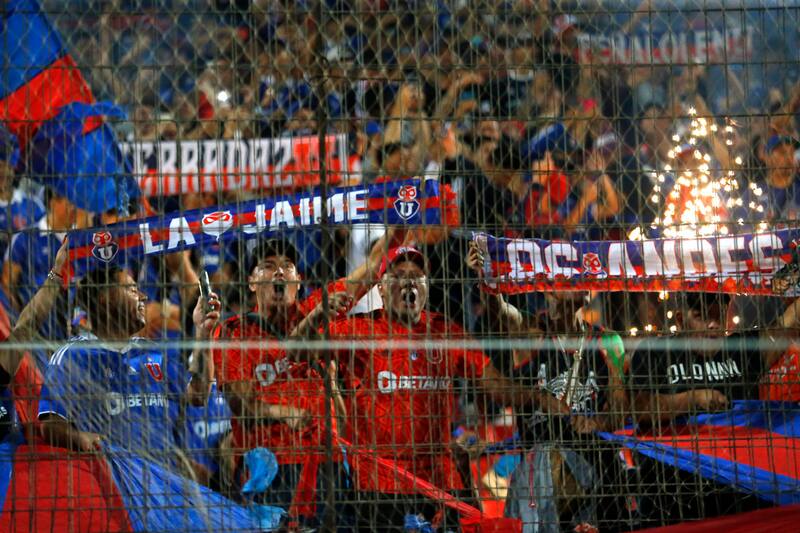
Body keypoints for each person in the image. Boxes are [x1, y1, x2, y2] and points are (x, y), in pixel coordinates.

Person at [322, 245, 537, 532]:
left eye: (417, 275)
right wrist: (321, 314)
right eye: (398, 275)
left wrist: (541, 396)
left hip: (439, 481)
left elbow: (495, 385)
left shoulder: (445, 332)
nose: (409, 282)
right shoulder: (357, 330)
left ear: (426, 286)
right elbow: (301, 350)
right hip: (380, 482)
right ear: (381, 289)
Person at [211, 235, 392, 529]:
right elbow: (241, 404)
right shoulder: (235, 333)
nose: (279, 272)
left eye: (288, 266)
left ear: (299, 280)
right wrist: (287, 413)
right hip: (272, 471)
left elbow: (373, 265)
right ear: (252, 283)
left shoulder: (313, 309)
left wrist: (405, 212)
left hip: (328, 465)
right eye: (268, 266)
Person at [465, 242, 630, 532]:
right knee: (548, 458)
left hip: (595, 459)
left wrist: (597, 422)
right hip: (542, 467)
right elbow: (499, 311)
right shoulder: (531, 334)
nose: (561, 281)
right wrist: (485, 276)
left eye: (571, 277)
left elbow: (619, 407)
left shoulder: (607, 341)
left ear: (586, 292)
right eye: (555, 276)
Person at [629, 292, 800, 526]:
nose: (713, 324)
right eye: (701, 316)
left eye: (718, 314)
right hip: (673, 496)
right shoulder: (656, 351)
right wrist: (692, 399)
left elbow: (786, 324)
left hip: (740, 494)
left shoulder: (739, 348)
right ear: (681, 319)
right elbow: (638, 409)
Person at [38, 264, 220, 471]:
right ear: (106, 297)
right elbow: (50, 424)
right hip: (113, 484)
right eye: (132, 290)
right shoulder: (72, 356)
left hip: (163, 484)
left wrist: (203, 334)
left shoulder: (155, 353)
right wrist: (79, 438)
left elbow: (198, 395)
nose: (142, 296)